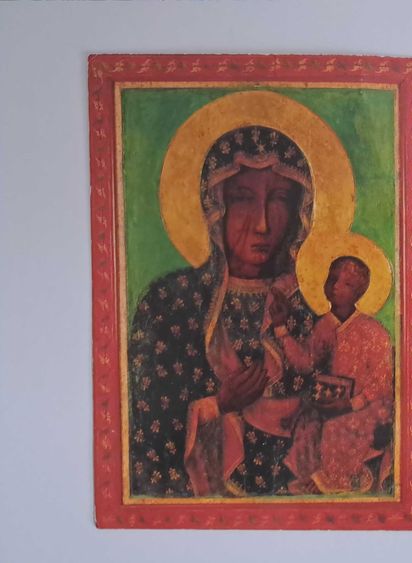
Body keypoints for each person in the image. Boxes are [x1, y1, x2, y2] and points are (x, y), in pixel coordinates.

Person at [128, 125, 318, 497]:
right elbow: (146, 429)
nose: (262, 224)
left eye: (279, 199)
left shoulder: (306, 310)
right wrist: (218, 405)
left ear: (300, 210)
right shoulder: (170, 304)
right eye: (243, 199)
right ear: (215, 207)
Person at [271, 256, 394, 494]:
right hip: (336, 398)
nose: (336, 286)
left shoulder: (374, 331)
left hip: (371, 404)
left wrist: (351, 404)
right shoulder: (325, 325)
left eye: (347, 283)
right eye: (333, 279)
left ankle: (333, 480)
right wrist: (280, 327)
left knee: (338, 424)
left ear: (360, 292)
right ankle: (308, 476)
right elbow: (305, 362)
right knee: (307, 420)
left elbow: (382, 380)